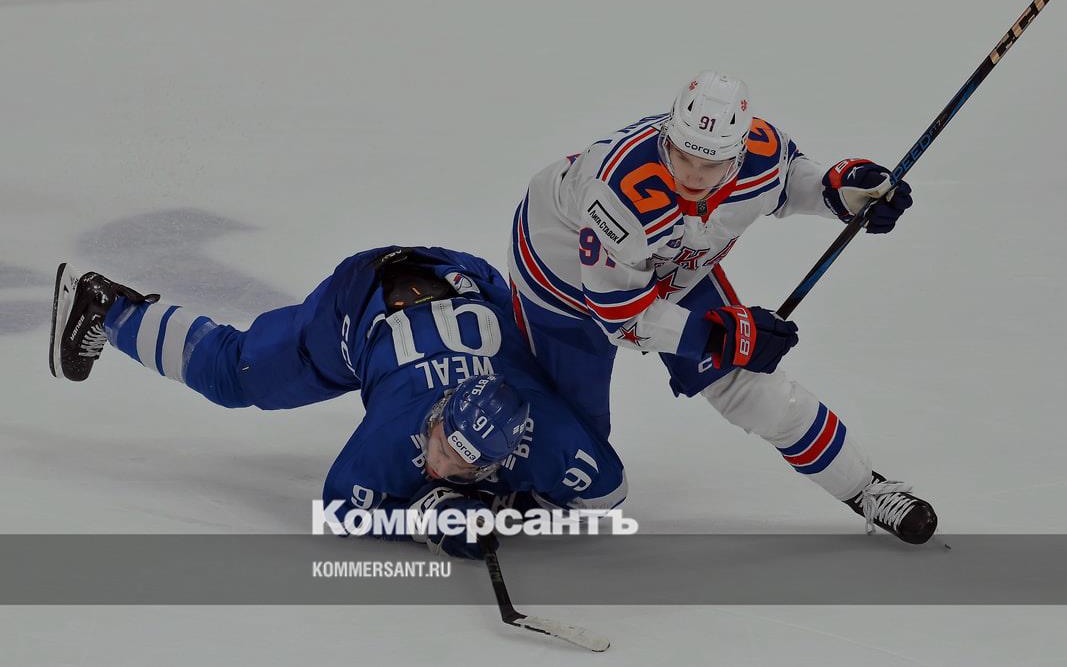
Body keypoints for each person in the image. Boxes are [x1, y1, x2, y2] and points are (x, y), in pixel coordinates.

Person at [508, 70, 936, 544]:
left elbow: (791, 180)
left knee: (756, 391)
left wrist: (843, 191)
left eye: (711, 164)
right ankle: (479, 479)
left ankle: (864, 488)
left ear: (739, 153)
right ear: (667, 136)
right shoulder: (619, 193)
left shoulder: (762, 151)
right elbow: (621, 317)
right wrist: (722, 334)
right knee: (574, 451)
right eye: (683, 156)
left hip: (673, 265)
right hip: (561, 286)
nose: (693, 175)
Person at [49, 246, 627, 559]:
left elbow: (609, 493)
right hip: (364, 303)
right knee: (234, 373)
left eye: (459, 464)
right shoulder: (396, 428)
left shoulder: (547, 439)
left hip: (466, 276)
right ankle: (105, 307)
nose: (437, 463)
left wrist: (516, 503)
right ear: (437, 414)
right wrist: (427, 518)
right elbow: (341, 507)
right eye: (441, 442)